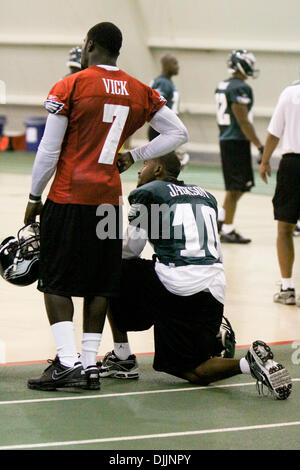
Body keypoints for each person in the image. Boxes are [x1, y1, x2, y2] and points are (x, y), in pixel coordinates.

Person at [23, 22, 188, 392]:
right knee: (100, 284)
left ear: (92, 44)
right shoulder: (139, 89)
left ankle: (66, 363)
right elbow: (179, 132)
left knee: (55, 279)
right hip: (109, 201)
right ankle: (89, 365)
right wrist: (136, 155)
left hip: (69, 196)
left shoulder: (73, 85)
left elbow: (49, 151)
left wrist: (35, 197)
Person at [98, 152, 292, 400]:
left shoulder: (150, 193)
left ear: (158, 170)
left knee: (108, 267)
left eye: (144, 165)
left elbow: (130, 250)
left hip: (178, 287)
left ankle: (122, 358)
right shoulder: (205, 196)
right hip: (214, 290)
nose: (139, 171)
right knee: (196, 368)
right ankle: (246, 362)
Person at [215, 50, 264, 243]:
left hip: (227, 139)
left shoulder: (223, 85)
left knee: (238, 186)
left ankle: (221, 216)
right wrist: (260, 146)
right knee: (236, 187)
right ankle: (227, 228)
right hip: (236, 140)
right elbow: (243, 121)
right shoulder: (240, 88)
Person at [259, 81, 300, 306]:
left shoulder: (290, 92)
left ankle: (287, 287)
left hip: (292, 165)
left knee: (285, 227)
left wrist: (265, 161)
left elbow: (274, 132)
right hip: (292, 165)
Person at [148, 53, 190, 169]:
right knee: (162, 165)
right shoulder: (163, 83)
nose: (178, 67)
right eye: (175, 63)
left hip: (165, 127)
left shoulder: (167, 82)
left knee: (164, 164)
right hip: (161, 128)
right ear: (166, 65)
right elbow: (156, 105)